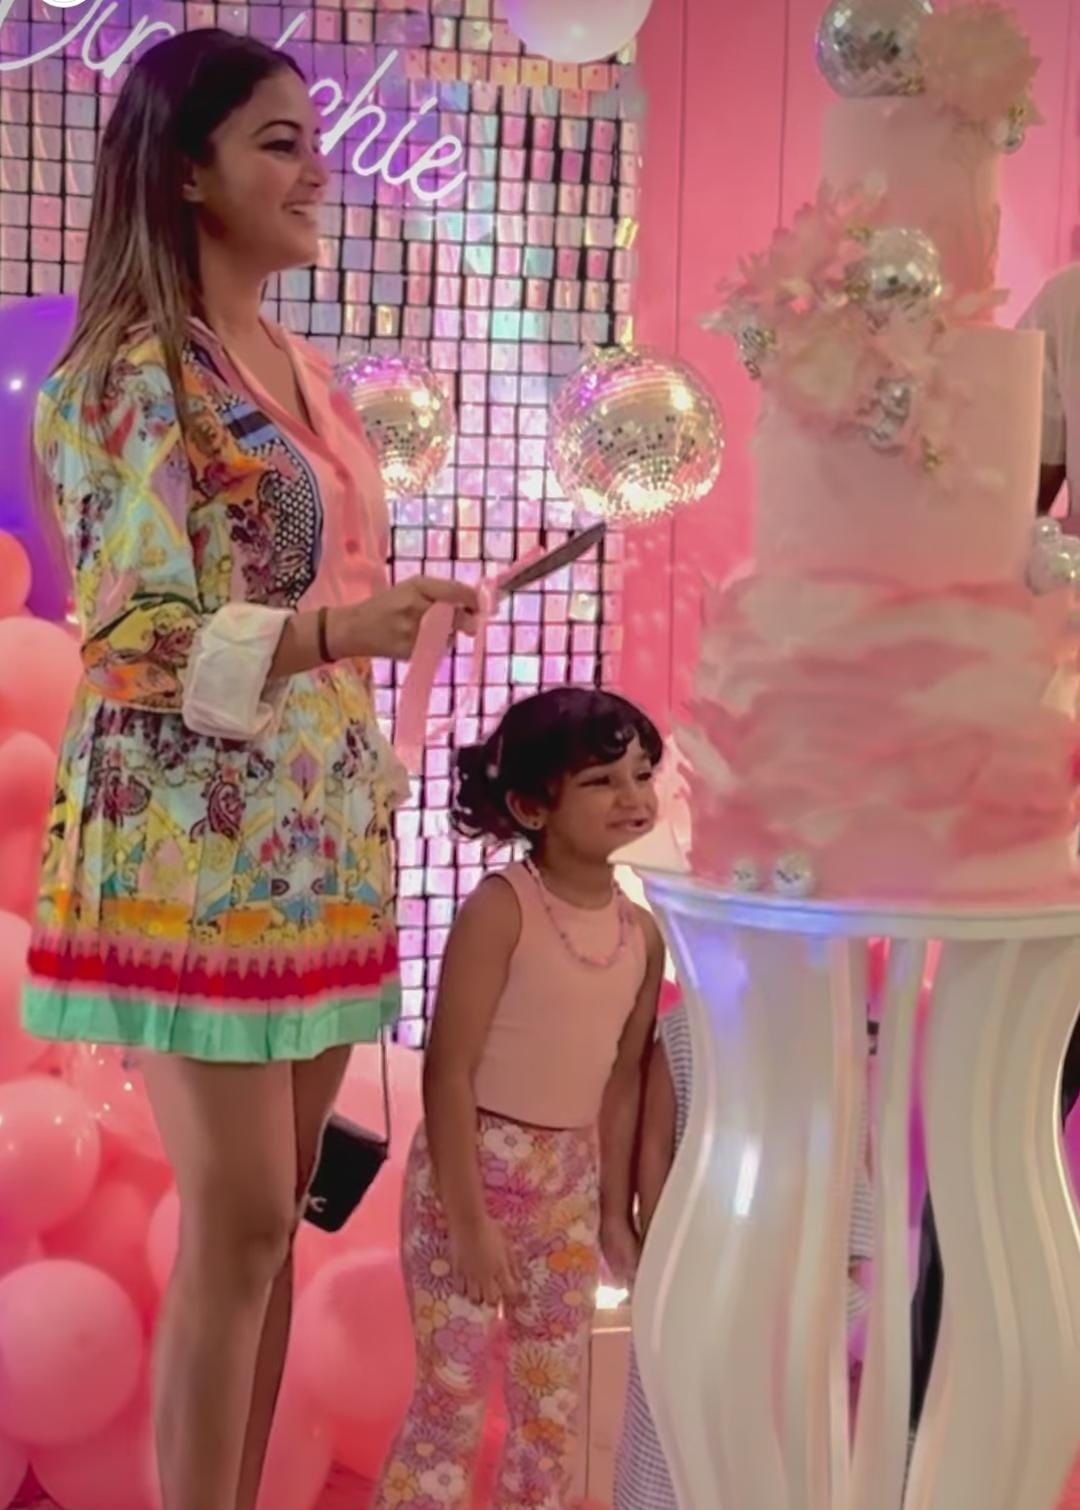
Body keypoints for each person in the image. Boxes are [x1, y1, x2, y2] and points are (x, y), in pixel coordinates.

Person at [22, 29, 477, 1510]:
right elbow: (134, 636)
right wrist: (340, 628)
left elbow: (318, 589)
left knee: (273, 1223)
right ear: (185, 172)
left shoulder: (306, 374)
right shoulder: (122, 378)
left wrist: (392, 616)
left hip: (315, 837)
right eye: (278, 142)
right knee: (233, 1228)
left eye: (310, 139)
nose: (315, 169)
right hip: (186, 842)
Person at [371, 687, 666, 1510]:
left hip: (567, 1188)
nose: (632, 796)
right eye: (601, 781)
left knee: (551, 1410)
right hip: (468, 1184)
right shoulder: (502, 909)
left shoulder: (642, 935)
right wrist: (469, 1224)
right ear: (534, 806)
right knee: (452, 1402)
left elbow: (623, 1082)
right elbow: (448, 1072)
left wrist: (613, 1213)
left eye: (641, 774)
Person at [906, 264, 1080, 1441]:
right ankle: (940, 1426)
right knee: (991, 1129)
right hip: (1049, 802)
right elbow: (1013, 513)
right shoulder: (1068, 306)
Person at [612, 994, 875, 1510]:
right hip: (718, 1271)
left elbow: (850, 1161)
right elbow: (655, 1149)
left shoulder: (828, 1039)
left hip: (766, 1276)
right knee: (685, 1430)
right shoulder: (691, 1029)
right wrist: (661, 1251)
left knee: (742, 1436)